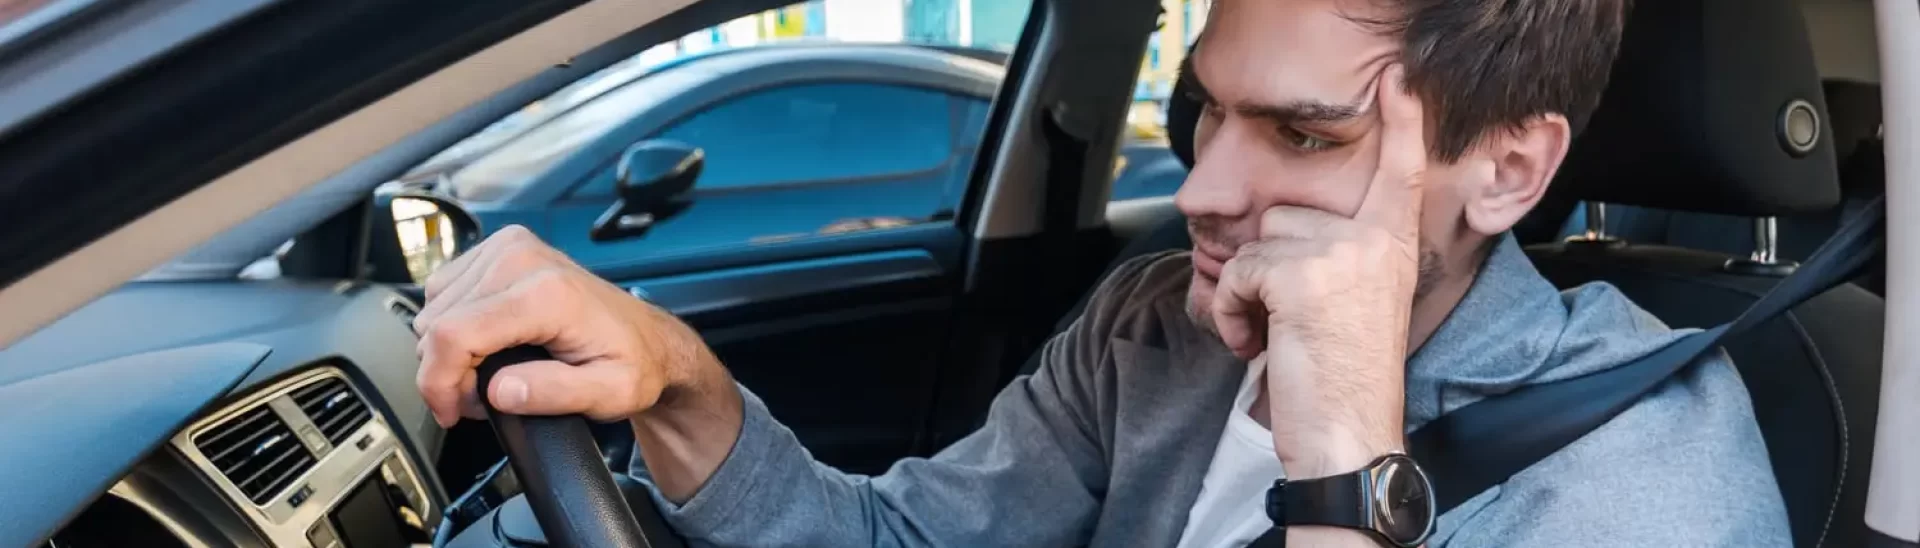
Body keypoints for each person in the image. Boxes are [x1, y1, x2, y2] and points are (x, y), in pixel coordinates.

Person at [413, 0, 1791, 545]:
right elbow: (900, 545)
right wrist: (677, 377)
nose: (1199, 187)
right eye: (1208, 108)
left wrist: (1345, 456)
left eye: (1307, 135)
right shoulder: (1159, 327)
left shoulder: (1647, 464)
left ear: (1507, 170)